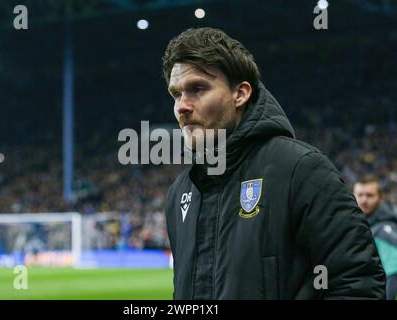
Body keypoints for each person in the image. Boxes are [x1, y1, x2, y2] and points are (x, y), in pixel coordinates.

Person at [162, 27, 385, 299]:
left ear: (240, 93)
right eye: (176, 94)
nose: (182, 106)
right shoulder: (181, 192)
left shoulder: (301, 170)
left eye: (198, 88)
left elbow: (357, 286)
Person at [354, 174, 397, 300]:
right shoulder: (365, 227)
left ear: (380, 197)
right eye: (360, 195)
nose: (364, 200)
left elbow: (394, 273)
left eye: (369, 195)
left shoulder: (382, 231)